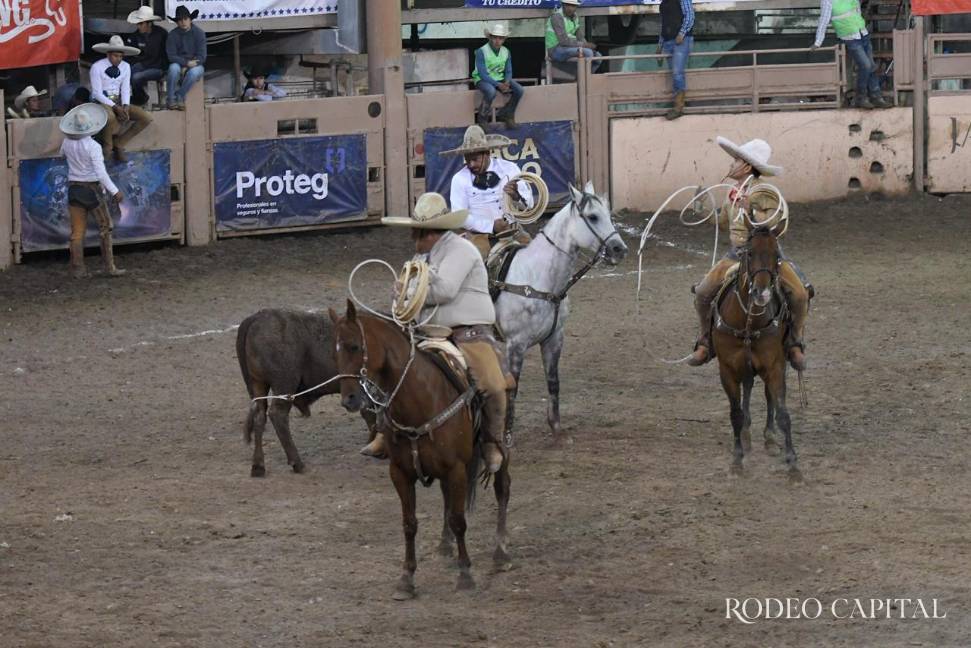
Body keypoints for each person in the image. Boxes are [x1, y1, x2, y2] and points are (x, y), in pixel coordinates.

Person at [368, 192, 507, 473]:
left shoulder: (462, 250)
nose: (414, 239)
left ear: (432, 232)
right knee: (389, 370)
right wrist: (405, 292)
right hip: (425, 330)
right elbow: (412, 289)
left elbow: (444, 290)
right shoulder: (424, 255)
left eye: (418, 233)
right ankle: (385, 429)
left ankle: (493, 442)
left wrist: (408, 291)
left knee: (492, 384)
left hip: (468, 331)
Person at [688, 137, 810, 371]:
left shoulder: (766, 192)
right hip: (737, 253)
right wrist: (701, 207)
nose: (731, 165)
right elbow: (724, 222)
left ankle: (794, 344)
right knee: (703, 292)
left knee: (799, 294)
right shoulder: (732, 192)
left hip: (765, 255)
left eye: (735, 160)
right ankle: (705, 342)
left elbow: (777, 221)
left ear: (746, 166)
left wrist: (751, 210)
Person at [442, 124, 532, 258]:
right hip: (479, 236)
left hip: (512, 230)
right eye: (467, 160)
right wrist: (491, 226)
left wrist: (516, 196)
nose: (471, 165)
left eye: (475, 159)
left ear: (487, 153)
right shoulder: (460, 179)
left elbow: (528, 205)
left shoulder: (509, 169)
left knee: (535, 256)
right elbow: (460, 217)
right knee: (476, 264)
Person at [58, 104, 127, 278]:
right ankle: (109, 267)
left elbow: (61, 155)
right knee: (105, 227)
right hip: (91, 190)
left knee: (77, 232)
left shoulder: (66, 142)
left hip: (74, 188)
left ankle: (78, 269)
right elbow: (101, 173)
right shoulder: (93, 146)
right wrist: (115, 191)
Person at [811, 0, 889, 109]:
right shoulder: (827, 1)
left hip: (862, 32)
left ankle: (876, 97)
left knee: (870, 66)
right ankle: (862, 97)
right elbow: (823, 20)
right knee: (866, 66)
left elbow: (856, 10)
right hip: (849, 36)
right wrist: (818, 41)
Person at [90, 35, 153, 162]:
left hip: (118, 100)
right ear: (108, 54)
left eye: (120, 56)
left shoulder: (126, 66)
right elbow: (96, 93)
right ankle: (107, 148)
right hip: (102, 100)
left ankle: (120, 143)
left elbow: (125, 88)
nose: (118, 59)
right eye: (115, 56)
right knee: (110, 117)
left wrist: (125, 105)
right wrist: (115, 107)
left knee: (146, 118)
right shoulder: (97, 67)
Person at [471, 23, 523, 128]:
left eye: (500, 38)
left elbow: (508, 70)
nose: (497, 41)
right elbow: (482, 73)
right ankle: (482, 118)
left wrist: (507, 82)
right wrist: (498, 85)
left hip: (500, 78)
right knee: (491, 91)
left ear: (504, 39)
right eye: (495, 38)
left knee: (519, 90)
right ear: (490, 38)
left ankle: (507, 114)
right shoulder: (482, 51)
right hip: (482, 79)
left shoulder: (506, 51)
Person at [656, 0, 694, 120]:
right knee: (674, 72)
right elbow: (663, 24)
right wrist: (660, 45)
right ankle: (678, 103)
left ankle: (678, 106)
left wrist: (681, 34)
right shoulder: (663, 4)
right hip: (668, 41)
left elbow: (690, 15)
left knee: (677, 72)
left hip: (681, 41)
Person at [124, 5, 168, 107]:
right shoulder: (135, 36)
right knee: (128, 72)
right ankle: (138, 97)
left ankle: (141, 98)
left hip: (158, 67)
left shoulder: (162, 34)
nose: (138, 26)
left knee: (136, 77)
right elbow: (129, 52)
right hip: (143, 65)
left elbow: (167, 52)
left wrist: (166, 68)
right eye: (138, 24)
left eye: (141, 24)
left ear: (149, 23)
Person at [165, 5, 207, 110]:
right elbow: (171, 56)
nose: (183, 22)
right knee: (173, 68)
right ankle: (171, 98)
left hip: (195, 64)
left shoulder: (199, 33)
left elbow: (202, 56)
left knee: (194, 73)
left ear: (190, 20)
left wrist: (189, 65)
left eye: (185, 19)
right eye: (180, 20)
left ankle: (180, 96)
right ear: (177, 22)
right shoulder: (172, 35)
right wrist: (185, 63)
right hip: (180, 63)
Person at [546, 0, 602, 73]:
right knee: (588, 53)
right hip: (555, 49)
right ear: (563, 5)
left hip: (568, 47)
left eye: (573, 6)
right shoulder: (557, 17)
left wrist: (586, 45)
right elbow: (564, 41)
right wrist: (585, 45)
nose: (570, 8)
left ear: (576, 7)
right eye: (567, 5)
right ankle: (582, 80)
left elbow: (580, 36)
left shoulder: (575, 17)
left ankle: (583, 79)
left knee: (598, 56)